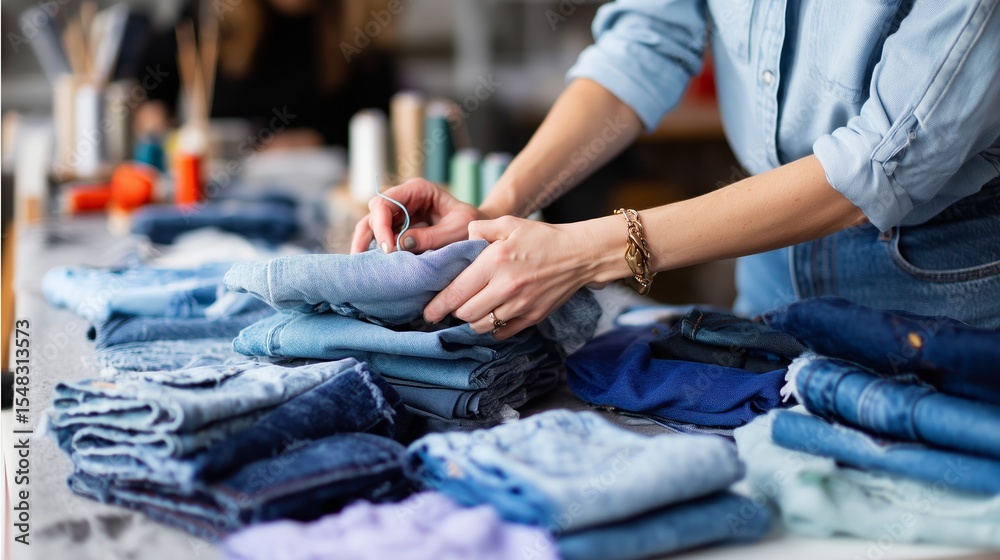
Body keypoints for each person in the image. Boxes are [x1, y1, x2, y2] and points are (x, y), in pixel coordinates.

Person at [352, 0, 1000, 335]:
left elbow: (876, 164)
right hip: (770, 259)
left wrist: (586, 253)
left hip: (940, 274)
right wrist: (498, 211)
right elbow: (647, 43)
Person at [134, 0, 395, 149]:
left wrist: (319, 139)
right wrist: (152, 107)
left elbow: (379, 122)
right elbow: (154, 76)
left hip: (319, 189)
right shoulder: (211, 17)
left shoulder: (360, 29)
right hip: (219, 188)